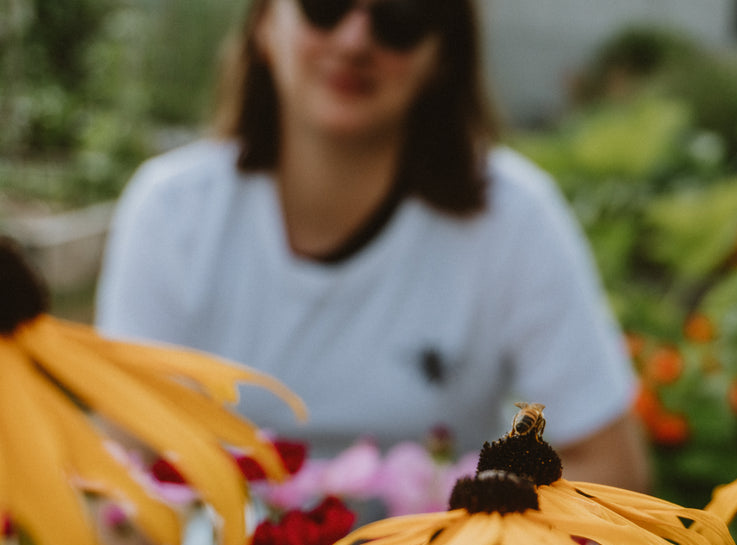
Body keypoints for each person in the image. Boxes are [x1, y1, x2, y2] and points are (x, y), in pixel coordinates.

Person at [96, 0, 649, 494]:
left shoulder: (513, 217)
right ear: (264, 23)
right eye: (325, 6)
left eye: (401, 19)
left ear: (444, 55)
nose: (355, 40)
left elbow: (609, 463)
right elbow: (120, 471)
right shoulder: (172, 212)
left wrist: (471, 539)